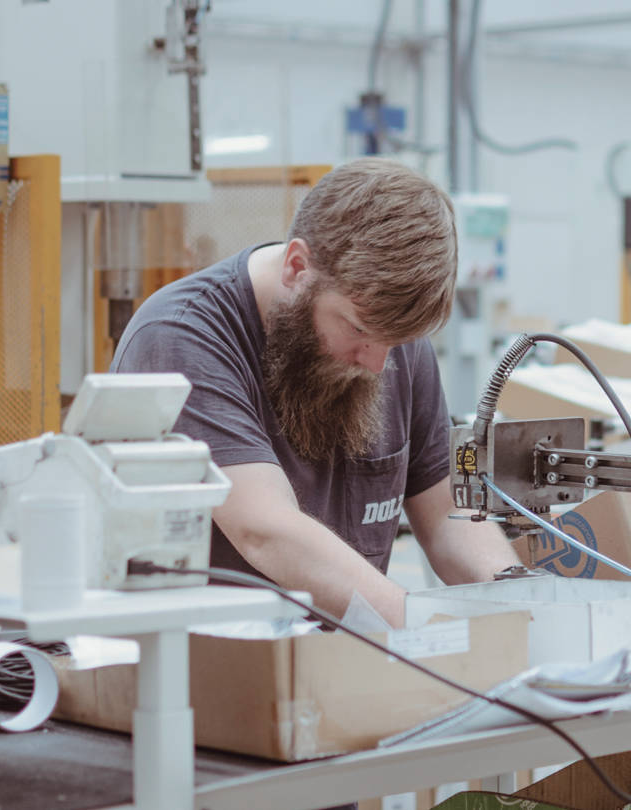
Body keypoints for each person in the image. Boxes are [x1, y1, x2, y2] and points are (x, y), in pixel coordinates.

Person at [111, 158, 520, 626]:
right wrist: (424, 631)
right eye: (358, 329)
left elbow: (446, 512)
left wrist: (517, 601)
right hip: (204, 659)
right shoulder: (181, 337)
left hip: (343, 653)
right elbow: (264, 529)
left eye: (395, 342)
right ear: (297, 267)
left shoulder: (390, 340)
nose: (378, 364)